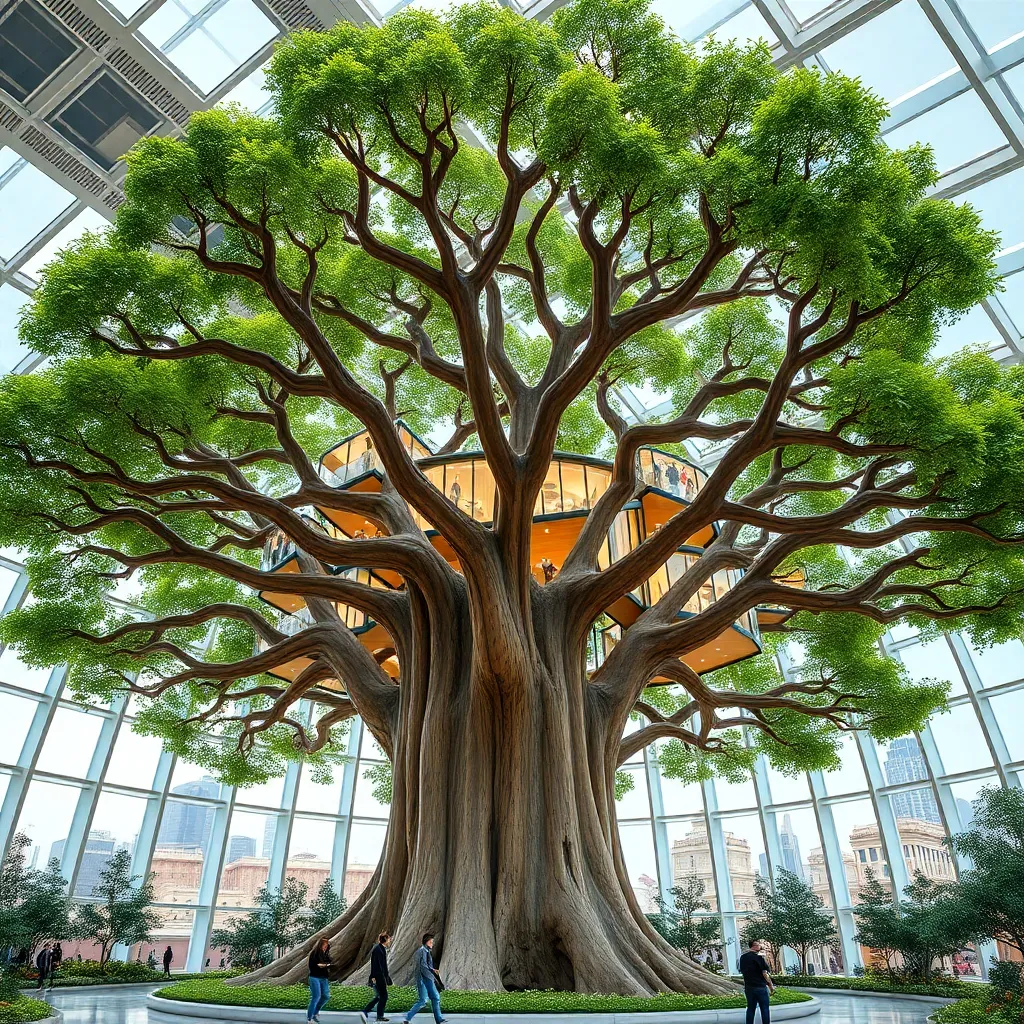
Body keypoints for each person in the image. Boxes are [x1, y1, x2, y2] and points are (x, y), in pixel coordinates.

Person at [403, 933, 446, 1024]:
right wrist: (432, 976)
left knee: (432, 998)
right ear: (426, 942)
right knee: (426, 999)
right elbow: (422, 966)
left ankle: (438, 1019)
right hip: (424, 979)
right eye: (431, 942)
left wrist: (433, 970)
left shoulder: (426, 952)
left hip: (425, 978)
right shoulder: (421, 951)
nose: (432, 944)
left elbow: (426, 965)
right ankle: (407, 1018)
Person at [738, 939, 775, 1024]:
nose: (760, 946)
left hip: (749, 987)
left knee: (750, 1008)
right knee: (764, 1009)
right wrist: (771, 986)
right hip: (760, 987)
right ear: (754, 946)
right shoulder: (759, 957)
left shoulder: (743, 957)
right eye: (759, 945)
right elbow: (765, 973)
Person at [360, 931, 393, 1023]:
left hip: (380, 976)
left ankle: (366, 1010)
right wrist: (374, 977)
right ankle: (379, 1016)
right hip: (378, 976)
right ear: (385, 939)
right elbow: (375, 964)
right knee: (384, 996)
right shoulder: (378, 949)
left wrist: (386, 977)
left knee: (379, 996)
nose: (389, 941)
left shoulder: (381, 949)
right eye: (389, 939)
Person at [307, 937, 332, 1024]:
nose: (325, 947)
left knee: (326, 996)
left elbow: (329, 963)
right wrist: (326, 965)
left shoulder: (325, 954)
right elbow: (319, 965)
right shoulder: (314, 953)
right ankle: (310, 1018)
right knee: (316, 997)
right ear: (320, 945)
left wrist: (328, 965)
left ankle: (316, 1012)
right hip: (315, 977)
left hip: (323, 978)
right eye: (324, 946)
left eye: (326, 946)